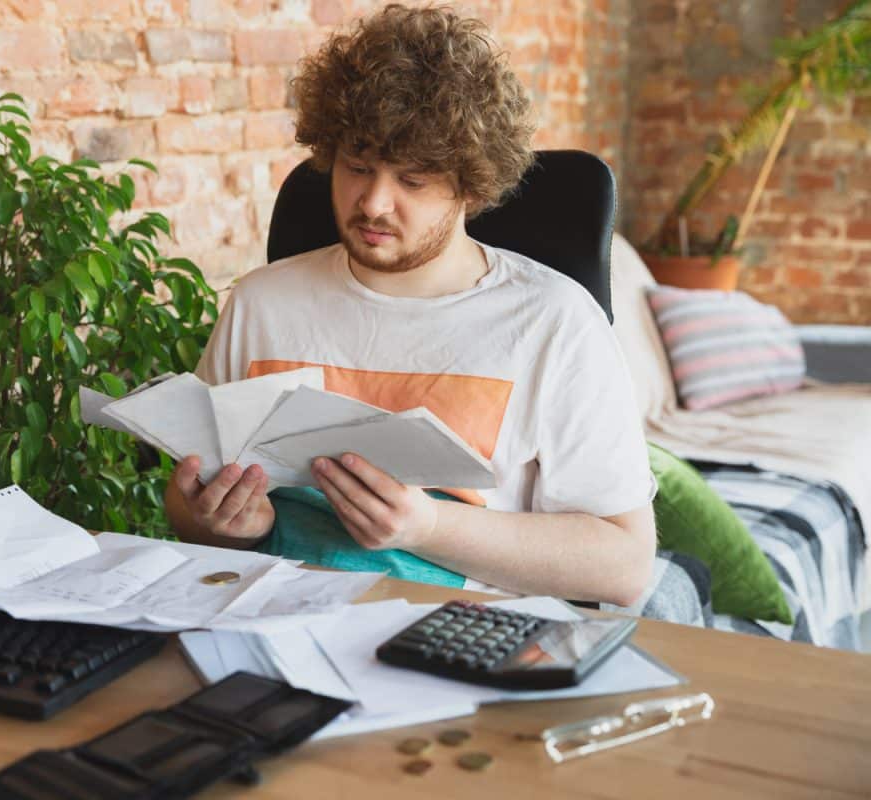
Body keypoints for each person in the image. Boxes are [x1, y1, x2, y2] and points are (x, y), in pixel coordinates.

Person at [164, 3, 656, 607]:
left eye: (412, 182)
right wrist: (226, 523)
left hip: (457, 649)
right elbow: (188, 509)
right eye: (357, 167)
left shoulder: (554, 323)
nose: (372, 202)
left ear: (470, 187)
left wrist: (430, 527)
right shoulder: (262, 302)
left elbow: (626, 567)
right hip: (265, 623)